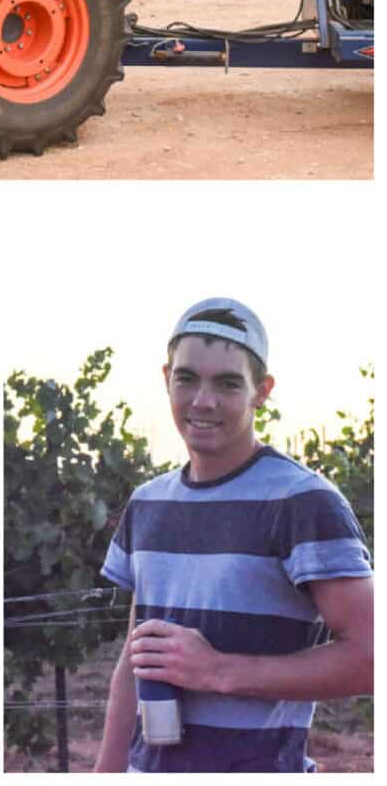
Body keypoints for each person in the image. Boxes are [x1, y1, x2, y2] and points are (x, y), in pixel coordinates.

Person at [95, 297, 373, 774]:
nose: (203, 401)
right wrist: (106, 771)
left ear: (261, 391)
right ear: (166, 378)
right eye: (187, 378)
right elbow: (136, 656)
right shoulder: (147, 503)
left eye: (227, 383)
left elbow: (372, 656)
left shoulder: (303, 502)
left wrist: (218, 671)